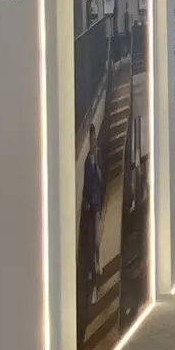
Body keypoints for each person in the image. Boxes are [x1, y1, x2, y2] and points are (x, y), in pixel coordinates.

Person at [83, 122, 105, 306]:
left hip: (98, 208)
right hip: (91, 210)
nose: (93, 142)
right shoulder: (86, 164)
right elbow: (87, 187)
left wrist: (97, 164)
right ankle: (94, 277)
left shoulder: (98, 158)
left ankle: (97, 271)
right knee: (92, 246)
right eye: (92, 139)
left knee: (97, 244)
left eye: (94, 138)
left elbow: (101, 179)